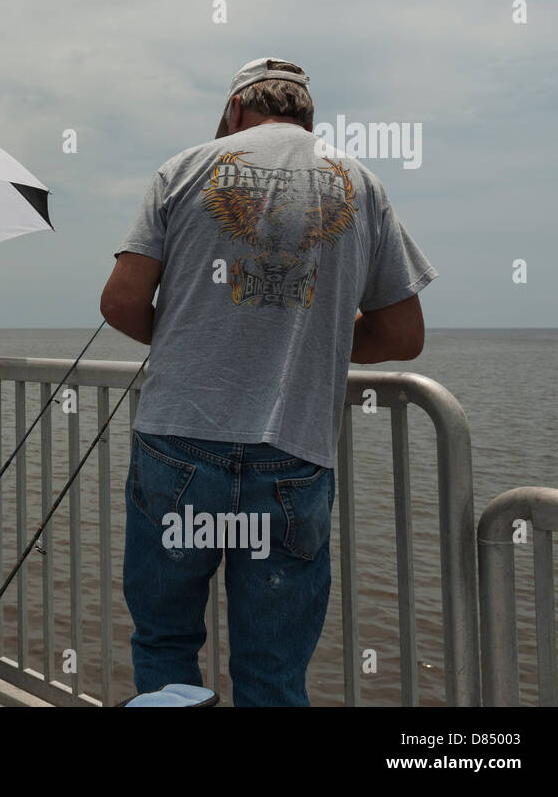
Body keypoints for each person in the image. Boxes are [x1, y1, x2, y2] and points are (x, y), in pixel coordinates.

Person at [100, 57, 437, 707]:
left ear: (233, 112)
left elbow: (120, 301)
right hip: (293, 455)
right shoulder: (361, 183)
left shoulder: (184, 167)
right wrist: (321, 343)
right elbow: (402, 335)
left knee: (166, 641)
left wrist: (185, 339)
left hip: (177, 446)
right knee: (273, 671)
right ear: (311, 119)